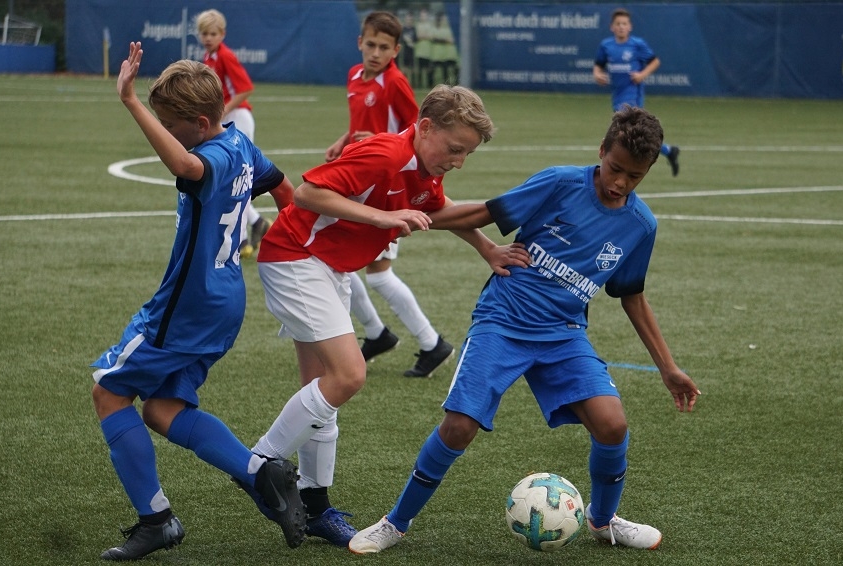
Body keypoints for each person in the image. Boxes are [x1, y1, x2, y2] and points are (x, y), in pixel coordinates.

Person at [348, 106, 702, 554]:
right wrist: (402, 218)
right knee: (458, 427)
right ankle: (395, 523)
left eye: (634, 176)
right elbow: (484, 213)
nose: (619, 183)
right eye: (615, 169)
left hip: (564, 333)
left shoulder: (640, 225)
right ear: (601, 151)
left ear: (648, 170)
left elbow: (632, 296)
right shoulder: (560, 182)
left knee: (612, 425)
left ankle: (603, 520)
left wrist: (668, 367)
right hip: (503, 320)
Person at [248, 84, 531, 548]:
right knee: (348, 375)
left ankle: (314, 505)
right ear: (425, 128)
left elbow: (437, 209)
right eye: (455, 149)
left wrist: (487, 248)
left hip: (330, 266)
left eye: (467, 154)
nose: (459, 161)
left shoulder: (423, 168)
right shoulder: (385, 153)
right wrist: (381, 217)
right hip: (295, 257)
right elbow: (307, 194)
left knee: (322, 389)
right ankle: (257, 467)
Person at [91, 42, 302, 560]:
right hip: (225, 299)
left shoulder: (213, 155)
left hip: (187, 306)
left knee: (108, 392)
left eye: (170, 123)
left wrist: (131, 101)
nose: (164, 130)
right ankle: (261, 474)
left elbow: (186, 164)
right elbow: (284, 189)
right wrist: (295, 246)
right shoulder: (241, 144)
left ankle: (157, 520)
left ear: (202, 123)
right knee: (163, 410)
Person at [325, 10, 454, 378]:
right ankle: (377, 334)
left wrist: (380, 140)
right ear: (360, 43)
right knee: (337, 261)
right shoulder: (355, 75)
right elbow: (360, 124)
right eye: (371, 45)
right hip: (361, 180)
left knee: (376, 275)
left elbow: (420, 129)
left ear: (396, 50)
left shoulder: (395, 82)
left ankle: (431, 343)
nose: (376, 53)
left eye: (384, 47)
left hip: (390, 187)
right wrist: (344, 140)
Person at [196, 8, 269, 258]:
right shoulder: (208, 57)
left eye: (213, 33)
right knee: (229, 179)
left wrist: (223, 110)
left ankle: (244, 237)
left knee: (238, 177)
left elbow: (246, 88)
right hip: (225, 118)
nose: (208, 38)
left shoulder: (226, 56)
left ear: (223, 34)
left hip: (238, 117)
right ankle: (256, 225)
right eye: (204, 33)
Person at [593, 7, 680, 177]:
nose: (621, 26)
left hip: (633, 94)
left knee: (623, 129)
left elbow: (655, 61)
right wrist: (597, 74)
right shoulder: (606, 45)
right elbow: (598, 65)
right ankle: (668, 151)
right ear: (612, 27)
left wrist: (642, 75)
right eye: (618, 24)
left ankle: (617, 164)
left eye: (624, 23)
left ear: (630, 26)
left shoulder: (637, 44)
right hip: (617, 94)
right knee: (632, 131)